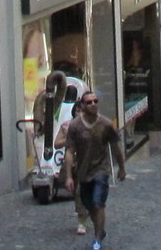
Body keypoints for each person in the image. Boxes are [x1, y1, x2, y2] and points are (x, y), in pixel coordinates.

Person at [64, 90, 126, 250]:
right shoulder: (75, 126)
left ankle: (97, 239)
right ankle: (100, 228)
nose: (93, 104)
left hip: (101, 170)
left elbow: (116, 147)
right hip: (83, 172)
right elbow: (69, 151)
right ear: (82, 106)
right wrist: (69, 176)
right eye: (89, 102)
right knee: (89, 204)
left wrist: (122, 169)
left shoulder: (106, 124)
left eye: (95, 101)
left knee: (99, 203)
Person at [54, 100, 90, 235]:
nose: (80, 113)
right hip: (73, 163)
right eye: (77, 110)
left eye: (82, 110)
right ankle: (82, 218)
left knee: (86, 191)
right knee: (77, 192)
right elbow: (57, 143)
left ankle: (84, 216)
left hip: (89, 163)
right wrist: (70, 139)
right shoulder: (66, 126)